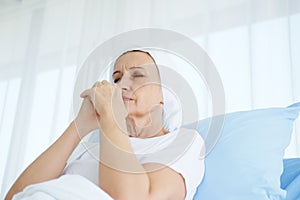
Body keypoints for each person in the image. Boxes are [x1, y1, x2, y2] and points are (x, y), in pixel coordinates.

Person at [5, 50, 204, 200]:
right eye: (116, 78)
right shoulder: (91, 147)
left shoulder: (184, 142)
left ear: (165, 93)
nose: (121, 85)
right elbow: (15, 196)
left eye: (137, 75)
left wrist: (111, 118)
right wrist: (80, 126)